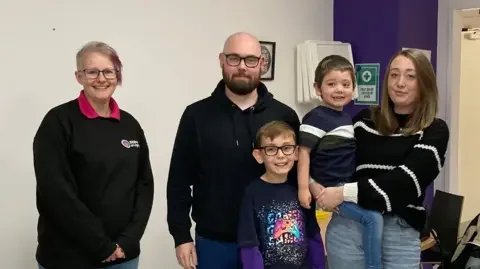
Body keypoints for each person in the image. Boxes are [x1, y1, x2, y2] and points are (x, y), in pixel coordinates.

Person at [166, 32, 301, 269]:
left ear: (261, 63)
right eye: (233, 59)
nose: (242, 67)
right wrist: (181, 236)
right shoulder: (196, 116)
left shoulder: (284, 116)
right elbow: (178, 180)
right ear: (221, 60)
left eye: (250, 60)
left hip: (274, 239)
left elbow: (298, 176)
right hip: (215, 242)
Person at [316, 49, 450, 268]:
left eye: (410, 76)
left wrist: (343, 192)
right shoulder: (364, 120)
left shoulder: (434, 130)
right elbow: (331, 161)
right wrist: (316, 187)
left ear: (424, 83)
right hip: (349, 228)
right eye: (394, 75)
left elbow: (405, 182)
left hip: (399, 232)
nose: (400, 83)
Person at [33, 41, 154, 269]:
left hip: (123, 257)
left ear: (117, 75)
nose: (101, 79)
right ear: (79, 76)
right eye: (92, 72)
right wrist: (102, 245)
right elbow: (56, 194)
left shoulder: (130, 125)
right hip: (68, 258)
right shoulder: (57, 122)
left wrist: (128, 241)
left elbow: (144, 184)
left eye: (109, 71)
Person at [297, 55, 383, 269]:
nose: (339, 89)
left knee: (376, 214)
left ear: (353, 89)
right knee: (373, 219)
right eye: (331, 84)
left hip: (347, 186)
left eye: (346, 84)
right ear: (318, 88)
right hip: (331, 187)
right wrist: (304, 187)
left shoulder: (345, 118)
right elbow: (303, 153)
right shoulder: (315, 117)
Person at [238, 121, 324, 269]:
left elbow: (313, 236)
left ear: (296, 153)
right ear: (259, 155)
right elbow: (249, 244)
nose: (280, 155)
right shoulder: (253, 192)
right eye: (271, 149)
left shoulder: (301, 190)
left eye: (286, 148)